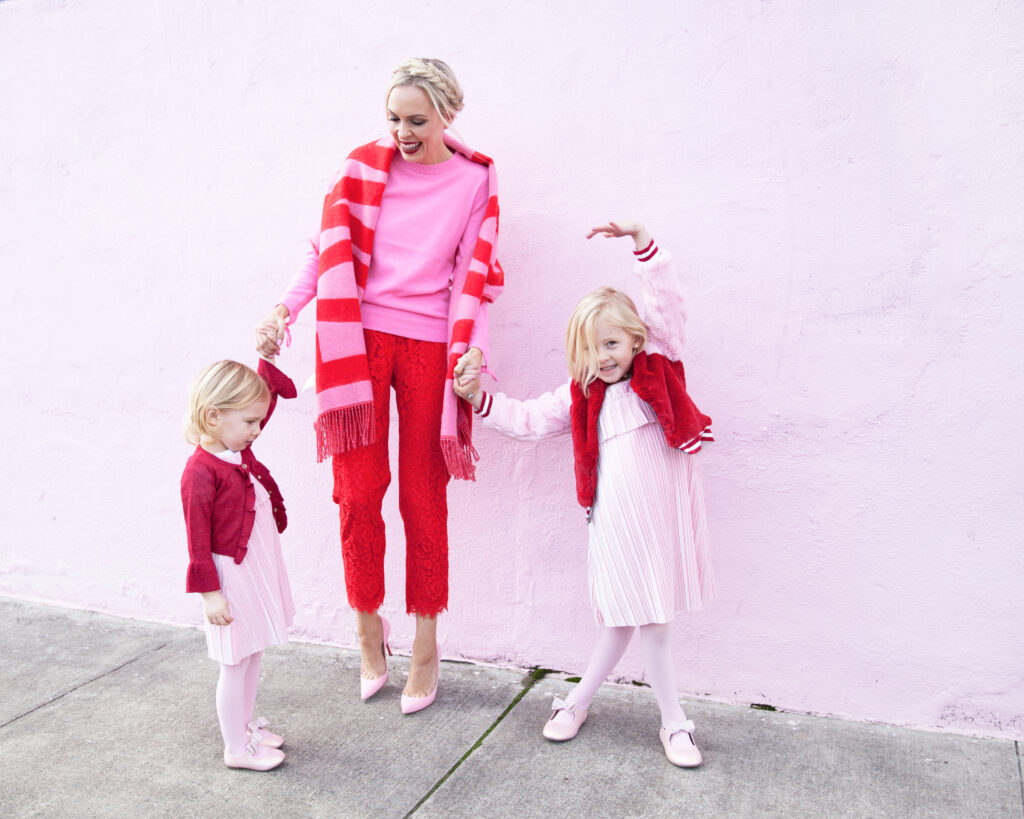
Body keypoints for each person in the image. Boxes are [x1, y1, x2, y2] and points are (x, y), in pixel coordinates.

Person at [255, 58, 503, 713]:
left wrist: (474, 355)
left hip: (429, 345)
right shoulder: (363, 166)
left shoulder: (475, 180)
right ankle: (369, 631)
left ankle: (425, 645)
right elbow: (323, 250)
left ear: (449, 114)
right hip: (356, 343)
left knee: (425, 497)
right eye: (393, 118)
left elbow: (479, 277)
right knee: (358, 492)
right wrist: (286, 308)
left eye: (416, 120)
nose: (402, 131)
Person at [454, 220, 714, 767]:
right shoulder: (582, 396)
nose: (602, 358)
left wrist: (643, 243)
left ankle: (659, 720)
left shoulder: (658, 365)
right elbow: (526, 419)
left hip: (661, 515)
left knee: (652, 622)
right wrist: (481, 400)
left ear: (636, 339)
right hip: (617, 522)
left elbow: (666, 303)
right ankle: (602, 707)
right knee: (626, 618)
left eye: (612, 344)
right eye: (591, 349)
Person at [181, 357, 297, 771]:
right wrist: (210, 595)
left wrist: (266, 355)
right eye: (250, 422)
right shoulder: (201, 470)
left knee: (252, 652)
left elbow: (261, 401)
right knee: (234, 661)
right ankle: (235, 748)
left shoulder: (236, 447)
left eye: (258, 422)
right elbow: (197, 541)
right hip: (230, 577)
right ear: (214, 417)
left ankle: (244, 726)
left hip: (254, 572)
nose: (257, 430)